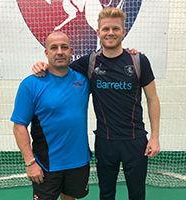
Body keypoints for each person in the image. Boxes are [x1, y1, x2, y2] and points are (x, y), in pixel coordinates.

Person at [32, 7, 160, 200]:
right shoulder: (89, 63)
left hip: (135, 141)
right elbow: (60, 68)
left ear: (124, 32)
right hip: (105, 141)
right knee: (106, 193)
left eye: (116, 29)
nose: (111, 33)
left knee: (137, 193)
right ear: (98, 32)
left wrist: (155, 137)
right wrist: (41, 65)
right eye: (106, 29)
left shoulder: (139, 61)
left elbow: (153, 99)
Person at [10, 31, 91, 200]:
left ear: (71, 51)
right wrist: (30, 163)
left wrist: (132, 54)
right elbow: (19, 126)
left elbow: (111, 61)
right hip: (46, 164)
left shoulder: (84, 80)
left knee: (69, 198)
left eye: (64, 47)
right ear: (46, 53)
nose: (59, 52)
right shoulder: (30, 84)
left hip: (79, 161)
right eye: (53, 48)